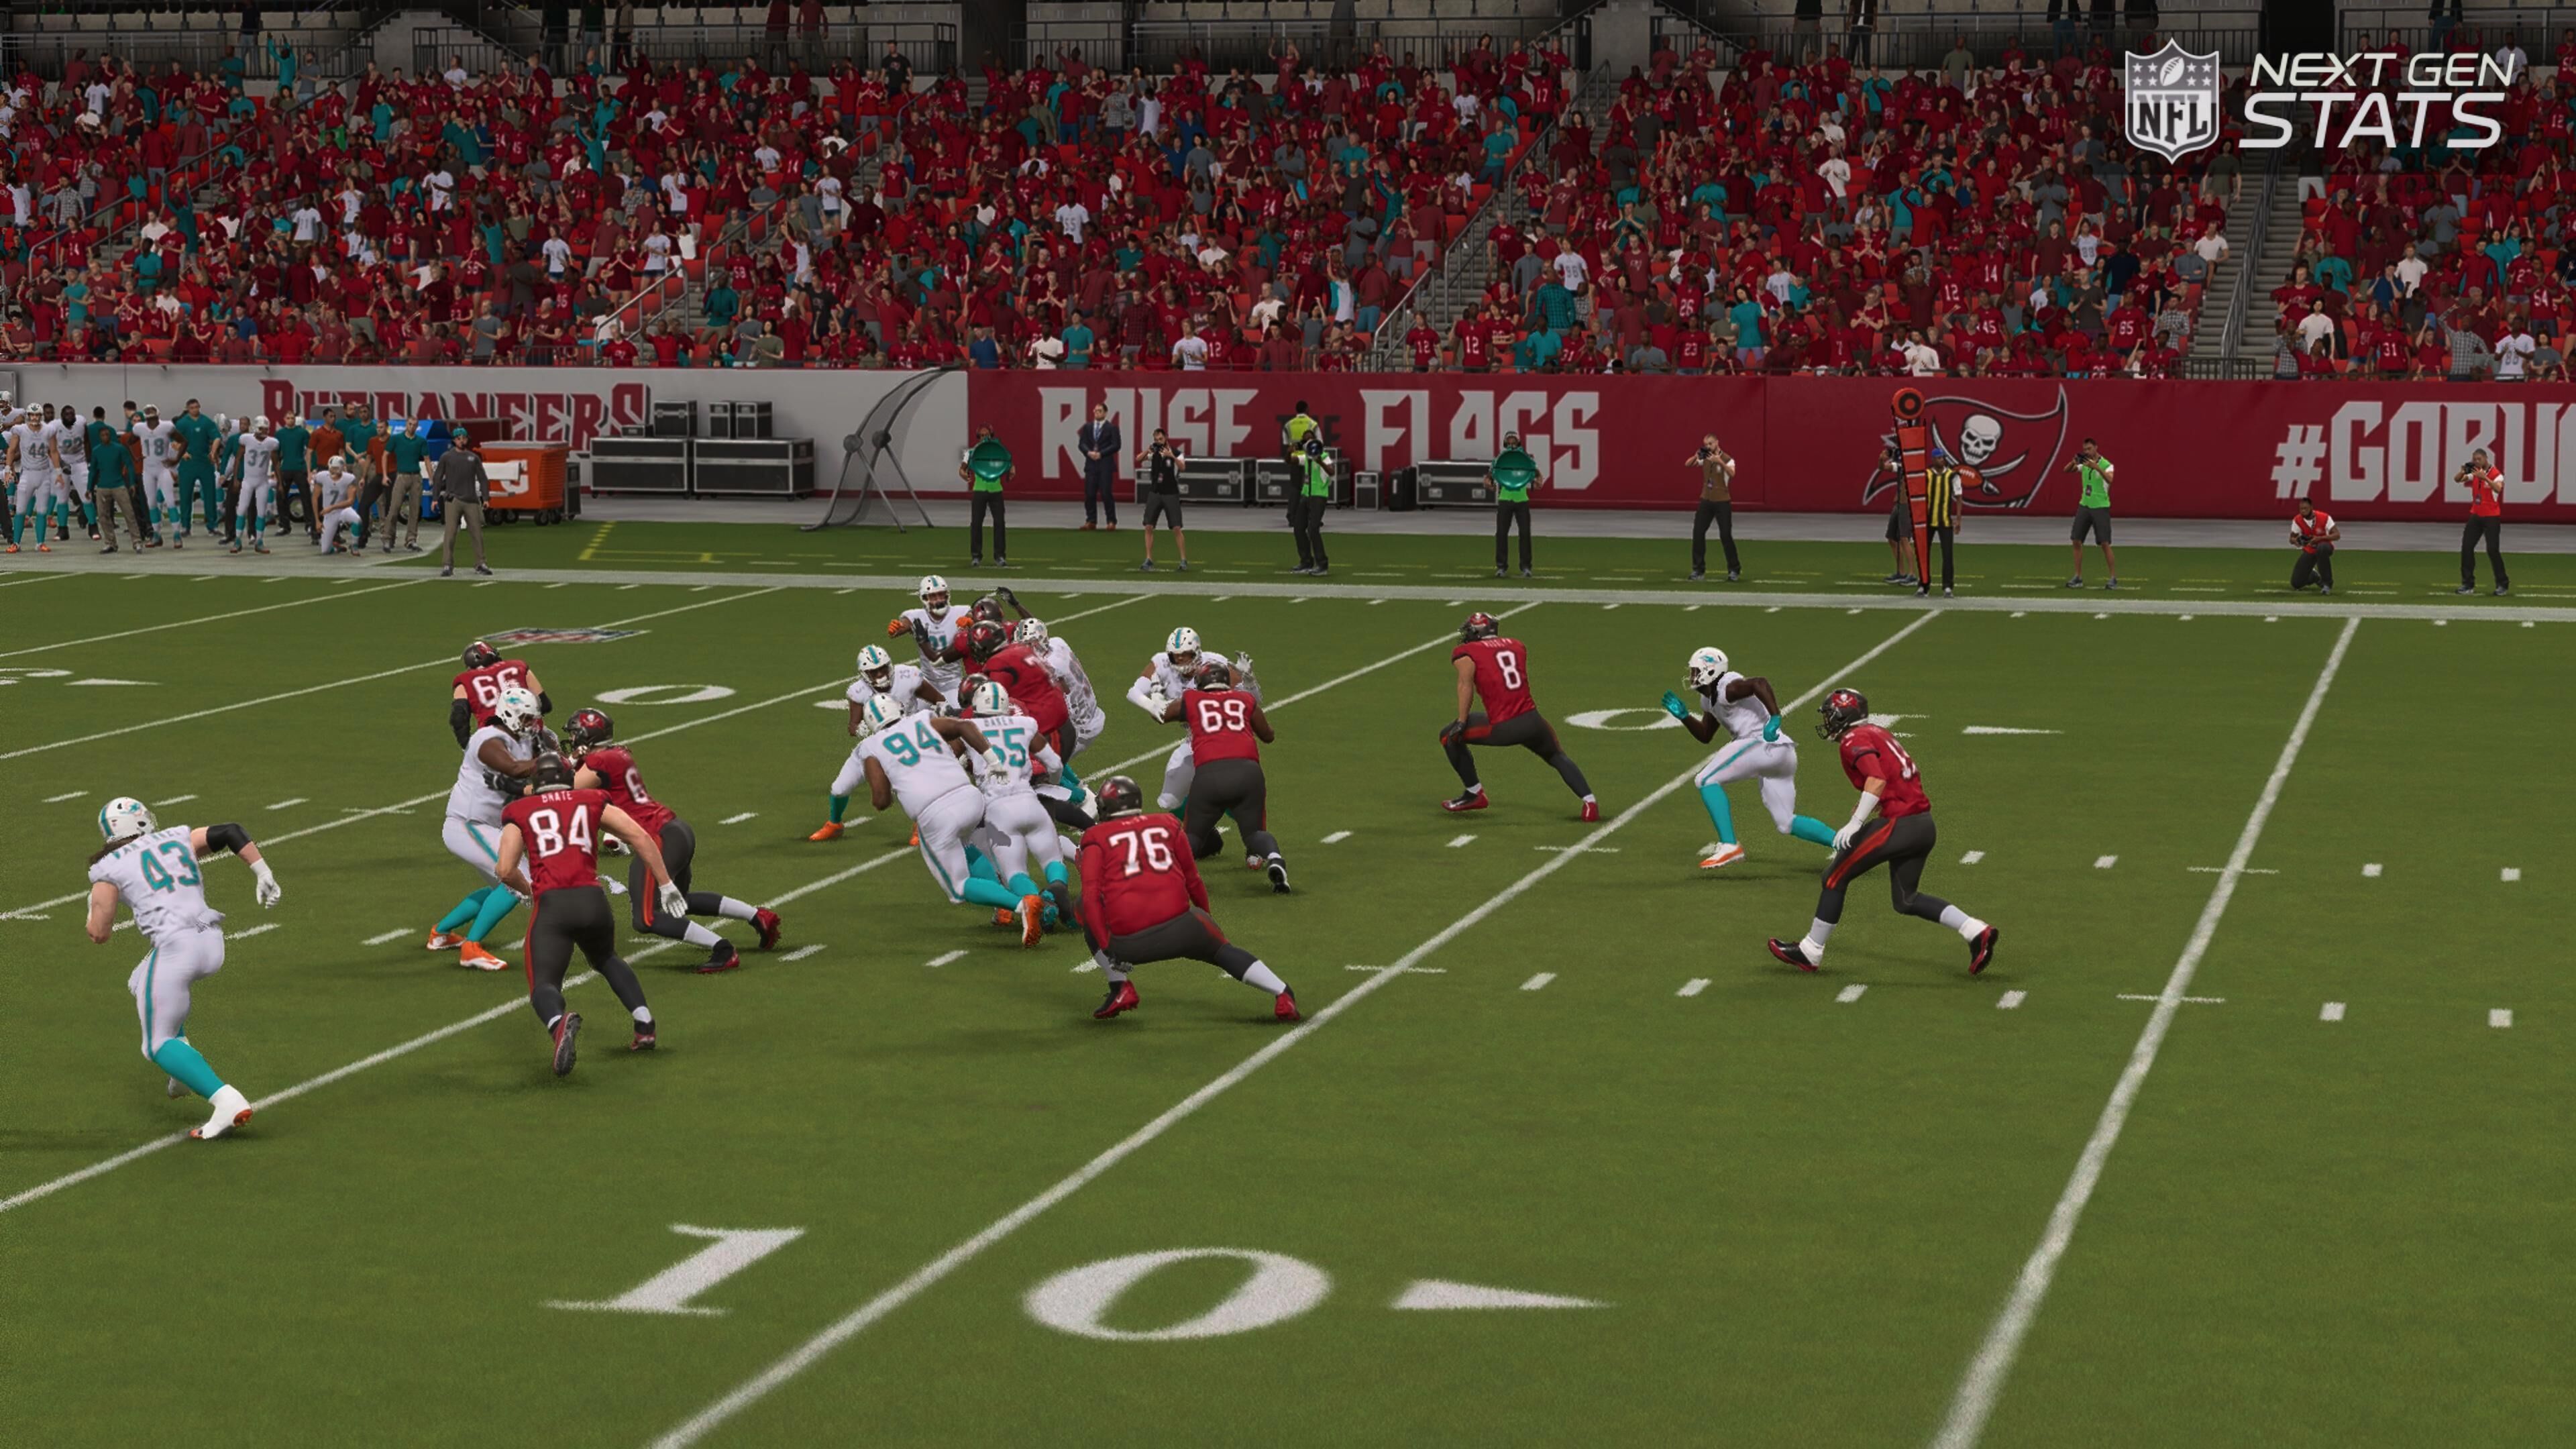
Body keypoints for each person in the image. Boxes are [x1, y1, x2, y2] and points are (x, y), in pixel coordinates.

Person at [85, 796, 283, 1140]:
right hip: (211, 940)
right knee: (140, 980)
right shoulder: (177, 837)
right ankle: (182, 1069)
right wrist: (262, 872)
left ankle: (226, 1100)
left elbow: (99, 934)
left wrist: (91, 908)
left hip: (178, 951)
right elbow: (230, 831)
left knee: (157, 1044)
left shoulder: (108, 868)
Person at [1766, 688, 2000, 975]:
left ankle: (1810, 951)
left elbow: (1876, 780)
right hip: (1923, 824)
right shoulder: (1877, 732)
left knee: (1834, 878)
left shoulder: (1853, 739)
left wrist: (1856, 822)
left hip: (1899, 825)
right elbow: (1894, 777)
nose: (1827, 721)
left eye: (1830, 715)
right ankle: (1976, 930)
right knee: (1906, 899)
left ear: (1843, 716)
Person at [493, 752, 686, 1075]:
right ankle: (644, 1023)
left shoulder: (519, 810)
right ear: (569, 777)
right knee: (606, 958)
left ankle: (558, 1024)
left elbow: (504, 869)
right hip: (592, 901)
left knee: (544, 984)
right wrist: (665, 883)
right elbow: (639, 836)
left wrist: (529, 891)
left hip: (553, 905)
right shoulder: (592, 800)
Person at [566, 709, 783, 973]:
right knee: (678, 901)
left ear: (587, 735)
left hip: (657, 840)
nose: (572, 739)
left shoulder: (600, 760)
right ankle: (757, 916)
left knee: (646, 918)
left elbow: (564, 791)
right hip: (674, 831)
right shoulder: (615, 754)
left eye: (575, 733)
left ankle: (723, 949)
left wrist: (562, 763)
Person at [1077, 775, 1301, 1022]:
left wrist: (1108, 948)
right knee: (1223, 951)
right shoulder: (1167, 824)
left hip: (1129, 943)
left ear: (1106, 808)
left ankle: (1120, 987)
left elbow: (1090, 898)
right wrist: (1207, 920)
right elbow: (1193, 879)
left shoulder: (1095, 837)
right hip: (1183, 928)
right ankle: (1282, 993)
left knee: (1083, 907)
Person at [851, 693, 1038, 932]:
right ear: (899, 709)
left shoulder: (871, 747)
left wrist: (893, 782)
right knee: (967, 847)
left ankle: (1020, 905)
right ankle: (1002, 906)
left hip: (936, 814)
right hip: (970, 798)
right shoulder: (922, 719)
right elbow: (964, 726)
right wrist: (994, 762)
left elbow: (881, 801)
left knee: (959, 885)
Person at [1661, 646, 1837, 871]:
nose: (1692, 676)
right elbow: (1705, 735)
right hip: (1781, 753)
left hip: (1762, 743)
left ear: (1710, 671)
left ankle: (1730, 845)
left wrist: (1775, 717)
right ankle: (1844, 843)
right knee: (1786, 822)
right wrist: (1685, 717)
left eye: (1696, 671)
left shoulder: (1728, 687)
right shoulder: (1709, 699)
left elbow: (1759, 683)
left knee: (1705, 779)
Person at [429, 684, 547, 969]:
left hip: (489, 825)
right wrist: (551, 761)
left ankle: (440, 934)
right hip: (469, 824)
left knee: (502, 886)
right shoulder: (487, 739)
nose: (532, 724)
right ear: (509, 714)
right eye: (526, 718)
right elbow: (514, 769)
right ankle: (471, 948)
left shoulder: (523, 740)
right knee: (517, 881)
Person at [1440, 610, 1598, 820]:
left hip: (1504, 726)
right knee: (1556, 756)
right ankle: (1590, 803)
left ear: (1476, 632)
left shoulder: (1467, 652)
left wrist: (1461, 722)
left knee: (1448, 736)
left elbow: (1465, 685)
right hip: (1533, 721)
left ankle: (1474, 794)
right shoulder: (1517, 645)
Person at [1157, 659, 1291, 892]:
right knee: (1255, 833)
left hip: (1210, 774)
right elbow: (1268, 736)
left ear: (1200, 683)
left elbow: (1162, 714)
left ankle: (1170, 878)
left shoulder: (1192, 699)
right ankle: (1275, 859)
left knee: (1194, 836)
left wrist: (1159, 695)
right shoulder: (1245, 699)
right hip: (1248, 773)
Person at [959, 678, 1073, 944]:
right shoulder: (1025, 725)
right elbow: (1055, 765)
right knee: (1053, 860)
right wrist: (1053, 785)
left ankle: (1037, 903)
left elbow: (950, 760)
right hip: (1029, 800)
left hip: (998, 809)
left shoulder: (969, 728)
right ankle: (1053, 892)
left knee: (1015, 874)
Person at [812, 643, 944, 839]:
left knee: (916, 786)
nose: (881, 674)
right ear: (864, 674)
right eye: (874, 671)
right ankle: (834, 823)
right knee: (839, 789)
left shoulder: (907, 677)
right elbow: (853, 726)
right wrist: (859, 729)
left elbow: (939, 700)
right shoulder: (859, 691)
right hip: (876, 745)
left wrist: (940, 711)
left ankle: (921, 825)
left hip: (909, 741)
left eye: (883, 668)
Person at [1126, 626, 1258, 811]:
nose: (1180, 660)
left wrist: (1250, 682)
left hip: (1224, 738)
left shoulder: (1217, 665)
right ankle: (1199, 815)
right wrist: (1151, 705)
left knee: (1229, 795)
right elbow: (1133, 692)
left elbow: (1253, 703)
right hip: (1194, 739)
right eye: (1176, 656)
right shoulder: (1162, 663)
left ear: (1196, 652)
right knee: (1169, 800)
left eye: (1185, 655)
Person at [1015, 616, 1108, 760]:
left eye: (1029, 644)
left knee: (1037, 763)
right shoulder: (1057, 642)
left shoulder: (1049, 667)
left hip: (1081, 728)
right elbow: (1039, 628)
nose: (1026, 649)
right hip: (1092, 712)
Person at [889, 573, 977, 707]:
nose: (939, 599)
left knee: (959, 714)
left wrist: (971, 622)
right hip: (927, 684)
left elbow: (978, 619)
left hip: (952, 683)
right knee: (908, 713)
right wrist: (897, 628)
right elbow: (903, 626)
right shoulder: (916, 616)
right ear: (925, 598)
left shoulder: (960, 612)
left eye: (941, 594)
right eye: (934, 596)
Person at [450, 639, 549, 747]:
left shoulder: (464, 681)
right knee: (550, 739)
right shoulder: (518, 666)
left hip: (493, 741)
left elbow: (458, 719)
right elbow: (545, 705)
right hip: (530, 736)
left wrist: (467, 746)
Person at [435, 426, 493, 576]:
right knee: (450, 534)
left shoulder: (473, 458)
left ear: (467, 439)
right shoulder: (447, 457)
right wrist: (435, 498)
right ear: (454, 441)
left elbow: (483, 478)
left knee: (477, 533)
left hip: (471, 500)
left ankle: (481, 563)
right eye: (458, 438)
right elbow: (438, 477)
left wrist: (486, 498)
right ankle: (447, 565)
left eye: (464, 438)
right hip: (453, 500)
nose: (461, 441)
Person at [5, 400, 63, 553]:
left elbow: (53, 451)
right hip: (27, 473)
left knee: (42, 511)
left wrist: (58, 472)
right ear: (28, 415)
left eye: (37, 415)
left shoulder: (49, 430)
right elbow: (11, 450)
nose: (35, 418)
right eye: (32, 415)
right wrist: (8, 468)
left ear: (41, 416)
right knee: (20, 510)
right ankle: (16, 543)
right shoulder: (20, 430)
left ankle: (40, 543)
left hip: (44, 474)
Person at [1283, 400, 1332, 575]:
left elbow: (1332, 471)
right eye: (1306, 439)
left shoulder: (1323, 456)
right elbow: (1291, 461)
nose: (1308, 441)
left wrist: (1319, 460)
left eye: (1310, 438)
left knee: (1313, 529)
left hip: (1319, 496)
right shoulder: (1305, 458)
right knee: (1298, 528)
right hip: (1306, 495)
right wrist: (1289, 452)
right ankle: (1306, 561)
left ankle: (1322, 564)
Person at [91, 409, 148, 553]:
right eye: (103, 435)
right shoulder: (96, 451)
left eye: (107, 434)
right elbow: (93, 470)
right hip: (103, 486)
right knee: (103, 516)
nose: (105, 437)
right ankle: (110, 542)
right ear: (100, 437)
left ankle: (137, 541)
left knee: (129, 514)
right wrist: (89, 487)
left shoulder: (119, 449)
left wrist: (132, 483)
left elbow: (129, 465)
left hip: (119, 485)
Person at [2065, 437, 2118, 589]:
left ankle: (2113, 578)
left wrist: (2097, 468)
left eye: (2089, 449)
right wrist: (2073, 462)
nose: (2087, 452)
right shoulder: (2084, 463)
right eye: (2085, 450)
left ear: (2096, 447)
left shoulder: (2107, 465)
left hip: (2100, 507)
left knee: (2105, 543)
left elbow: (2110, 480)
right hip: (2085, 506)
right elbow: (2066, 470)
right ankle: (2078, 577)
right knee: (2076, 540)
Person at [1688, 434, 1741, 582]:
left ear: (1717, 443)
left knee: (1725, 535)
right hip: (1706, 500)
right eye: (1706, 444)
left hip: (1722, 502)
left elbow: (1732, 473)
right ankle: (1698, 569)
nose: (1708, 446)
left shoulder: (1728, 459)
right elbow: (1688, 464)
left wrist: (1720, 462)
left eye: (1710, 444)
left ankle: (1734, 569)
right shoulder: (1705, 458)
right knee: (1698, 532)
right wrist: (1695, 456)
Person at [2457, 447, 2510, 595]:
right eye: (2474, 459)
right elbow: (2458, 479)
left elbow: (2498, 489)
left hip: (2491, 517)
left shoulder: (2497, 475)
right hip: (2476, 515)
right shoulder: (2475, 472)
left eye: (2479, 459)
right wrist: (2462, 472)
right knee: (2467, 547)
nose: (2476, 462)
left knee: (2492, 550)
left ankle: (2503, 584)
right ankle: (2467, 584)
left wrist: (2485, 478)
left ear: (2486, 458)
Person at [374, 420, 431, 552]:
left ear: (417, 426)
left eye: (414, 425)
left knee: (415, 510)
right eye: (410, 424)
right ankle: (387, 538)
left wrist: (431, 478)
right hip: (401, 476)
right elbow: (385, 455)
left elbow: (427, 459)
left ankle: (411, 539)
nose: (412, 427)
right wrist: (385, 475)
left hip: (416, 476)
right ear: (406, 425)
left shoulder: (421, 441)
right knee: (394, 508)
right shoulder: (396, 439)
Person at [959, 424, 1012, 567]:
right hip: (979, 490)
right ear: (978, 437)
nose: (984, 438)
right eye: (982, 435)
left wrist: (1012, 470)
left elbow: (1008, 463)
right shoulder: (971, 452)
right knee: (976, 523)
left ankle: (1000, 556)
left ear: (991, 436)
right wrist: (964, 475)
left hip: (996, 490)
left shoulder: (998, 450)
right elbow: (962, 469)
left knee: (1000, 523)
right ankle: (976, 556)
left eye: (987, 435)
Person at [171, 398, 223, 543]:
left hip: (205, 463)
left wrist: (213, 452)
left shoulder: (206, 422)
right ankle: (186, 526)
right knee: (185, 495)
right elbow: (174, 442)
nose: (195, 410)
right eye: (192, 408)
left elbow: (217, 438)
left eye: (197, 407)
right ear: (188, 409)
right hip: (188, 464)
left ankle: (212, 526)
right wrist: (183, 453)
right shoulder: (182, 423)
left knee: (210, 495)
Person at [1136, 427, 1187, 570]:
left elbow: (1183, 467)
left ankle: (1183, 560)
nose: (1158, 442)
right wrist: (1147, 451)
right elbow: (1138, 459)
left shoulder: (1176, 452)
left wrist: (1172, 456)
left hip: (1171, 493)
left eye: (1161, 439)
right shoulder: (1154, 452)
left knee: (1176, 528)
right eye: (1156, 440)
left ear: (1166, 438)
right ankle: (1149, 559)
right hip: (1155, 492)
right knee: (1148, 526)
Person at [1489, 431, 1539, 578]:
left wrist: (1538, 481)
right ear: (1505, 443)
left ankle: (1526, 567)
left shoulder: (1526, 458)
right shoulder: (1500, 459)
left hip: (1522, 500)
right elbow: (1490, 476)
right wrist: (1489, 483)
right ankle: (1501, 567)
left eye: (1514, 441)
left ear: (1518, 442)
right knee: (1501, 534)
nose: (1511, 444)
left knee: (1525, 534)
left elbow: (1536, 474)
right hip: (1505, 500)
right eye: (1509, 442)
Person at [1921, 443, 1966, 598]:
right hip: (1928, 521)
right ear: (1933, 459)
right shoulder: (1926, 475)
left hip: (1945, 521)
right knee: (1923, 554)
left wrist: (1958, 520)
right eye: (1939, 458)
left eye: (1943, 458)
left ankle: (1947, 586)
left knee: (1947, 555)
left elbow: (1959, 498)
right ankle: (1923, 585)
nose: (1942, 460)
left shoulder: (1952, 476)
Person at [231, 415, 280, 554]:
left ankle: (259, 541)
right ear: (256, 428)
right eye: (262, 429)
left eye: (266, 429)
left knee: (261, 513)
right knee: (241, 510)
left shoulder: (271, 443)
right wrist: (235, 479)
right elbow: (238, 459)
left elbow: (276, 463)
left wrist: (280, 482)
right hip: (248, 480)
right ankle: (237, 540)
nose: (264, 431)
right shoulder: (246, 439)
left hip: (262, 481)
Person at [134, 403, 182, 545]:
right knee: (151, 503)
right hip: (148, 470)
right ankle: (156, 534)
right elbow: (129, 441)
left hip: (163, 469)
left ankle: (176, 534)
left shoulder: (166, 426)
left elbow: (183, 441)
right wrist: (136, 457)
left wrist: (176, 460)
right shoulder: (139, 428)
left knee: (170, 501)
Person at [1876, 442, 1917, 586]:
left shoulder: (1913, 466)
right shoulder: (1900, 466)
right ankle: (1901, 572)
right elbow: (1883, 467)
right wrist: (1881, 460)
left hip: (1906, 505)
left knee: (1904, 538)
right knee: (1892, 538)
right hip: (1899, 503)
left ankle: (1912, 574)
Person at [1077, 402, 1120, 531]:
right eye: (1095, 411)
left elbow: (1116, 445)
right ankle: (1091, 520)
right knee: (1090, 494)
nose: (1097, 413)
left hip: (1105, 465)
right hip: (1091, 465)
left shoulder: (1112, 428)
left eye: (1100, 411)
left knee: (1106, 493)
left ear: (1105, 413)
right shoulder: (1088, 427)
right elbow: (1082, 443)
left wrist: (1101, 454)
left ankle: (1111, 521)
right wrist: (1088, 452)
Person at [315, 453, 363, 554]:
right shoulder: (322, 476)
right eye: (332, 468)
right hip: (329, 515)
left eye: (336, 468)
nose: (333, 471)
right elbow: (314, 498)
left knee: (357, 520)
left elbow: (350, 501)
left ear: (341, 468)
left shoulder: (349, 478)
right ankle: (335, 547)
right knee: (325, 551)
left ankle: (354, 546)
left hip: (343, 510)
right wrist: (317, 521)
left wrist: (332, 507)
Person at [2290, 496, 2340, 594]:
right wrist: (2297, 541)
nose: (2303, 511)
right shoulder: (2298, 520)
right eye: (2301, 509)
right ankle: (2313, 576)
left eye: (2306, 509)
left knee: (2322, 548)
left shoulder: (2324, 517)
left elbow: (2337, 535)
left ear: (2311, 508)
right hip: (2310, 550)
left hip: (2324, 546)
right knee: (2296, 583)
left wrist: (2320, 539)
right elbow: (2291, 539)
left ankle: (2327, 584)